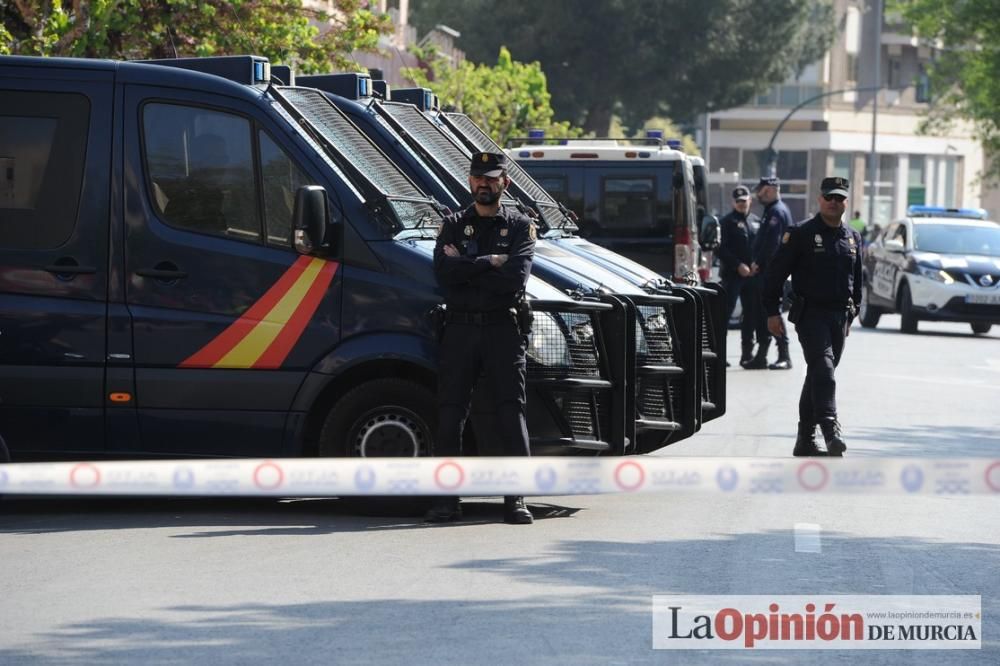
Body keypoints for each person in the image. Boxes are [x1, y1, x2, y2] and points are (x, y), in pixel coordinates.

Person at [426, 152, 536, 524]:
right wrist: (490, 262)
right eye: (478, 178)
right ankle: (445, 500)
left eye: (492, 178)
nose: (484, 184)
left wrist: (467, 265)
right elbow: (443, 273)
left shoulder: (520, 226)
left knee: (510, 411)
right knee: (450, 413)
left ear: (505, 182)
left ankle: (516, 499)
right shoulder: (454, 223)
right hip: (459, 328)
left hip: (502, 329)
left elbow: (515, 279)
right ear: (470, 181)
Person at [763, 176, 863, 457]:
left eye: (839, 198)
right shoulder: (801, 234)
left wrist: (852, 315)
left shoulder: (852, 237)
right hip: (811, 314)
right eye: (829, 197)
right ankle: (830, 429)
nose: (833, 202)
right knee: (824, 369)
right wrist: (772, 312)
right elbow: (775, 275)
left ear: (846, 202)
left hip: (838, 317)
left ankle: (805, 440)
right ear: (819, 200)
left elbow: (857, 281)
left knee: (818, 375)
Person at [746, 176, 795, 370]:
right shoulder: (770, 211)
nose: (759, 194)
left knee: (772, 312)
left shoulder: (777, 211)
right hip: (765, 272)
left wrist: (758, 263)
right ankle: (761, 355)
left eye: (763, 191)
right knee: (762, 314)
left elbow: (772, 245)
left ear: (773, 189)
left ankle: (784, 355)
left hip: (771, 273)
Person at [716, 185, 761, 367]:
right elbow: (720, 248)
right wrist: (737, 265)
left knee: (750, 315)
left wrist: (757, 263)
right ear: (733, 202)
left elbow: (760, 246)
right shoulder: (726, 222)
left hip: (752, 276)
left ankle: (747, 355)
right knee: (725, 315)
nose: (742, 204)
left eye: (745, 200)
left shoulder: (757, 221)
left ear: (750, 200)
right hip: (732, 275)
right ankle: (719, 355)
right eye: (739, 201)